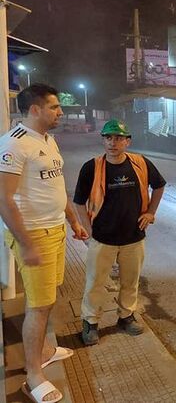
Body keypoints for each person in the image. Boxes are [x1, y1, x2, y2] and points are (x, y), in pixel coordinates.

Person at [0, 83, 88, 403]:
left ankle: (46, 351)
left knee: (47, 299)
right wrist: (26, 243)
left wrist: (74, 221)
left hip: (55, 231)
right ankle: (33, 375)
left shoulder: (48, 140)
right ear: (35, 109)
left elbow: (57, 186)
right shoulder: (13, 144)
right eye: (54, 107)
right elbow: (4, 199)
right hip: (34, 235)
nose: (60, 112)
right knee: (37, 307)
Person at [73, 119, 166, 346]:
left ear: (127, 141)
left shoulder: (140, 164)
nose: (112, 143)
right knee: (95, 282)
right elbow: (78, 202)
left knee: (130, 281)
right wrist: (89, 230)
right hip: (103, 238)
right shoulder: (92, 167)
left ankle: (126, 317)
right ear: (103, 140)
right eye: (108, 138)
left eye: (118, 138)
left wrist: (151, 213)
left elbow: (159, 185)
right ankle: (90, 323)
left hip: (134, 238)